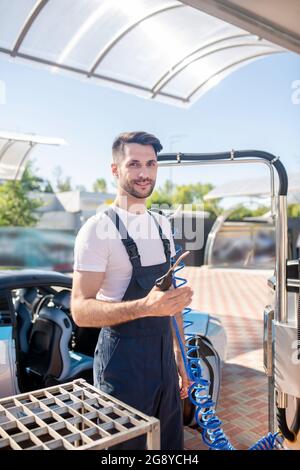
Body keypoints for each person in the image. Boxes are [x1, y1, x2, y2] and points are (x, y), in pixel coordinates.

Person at [71, 131, 193, 450]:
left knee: (168, 447)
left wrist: (182, 358)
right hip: (122, 364)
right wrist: (145, 308)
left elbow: (169, 299)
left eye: (151, 164)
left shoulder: (161, 224)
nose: (144, 173)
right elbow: (80, 311)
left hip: (165, 360)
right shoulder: (98, 230)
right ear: (115, 170)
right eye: (134, 164)